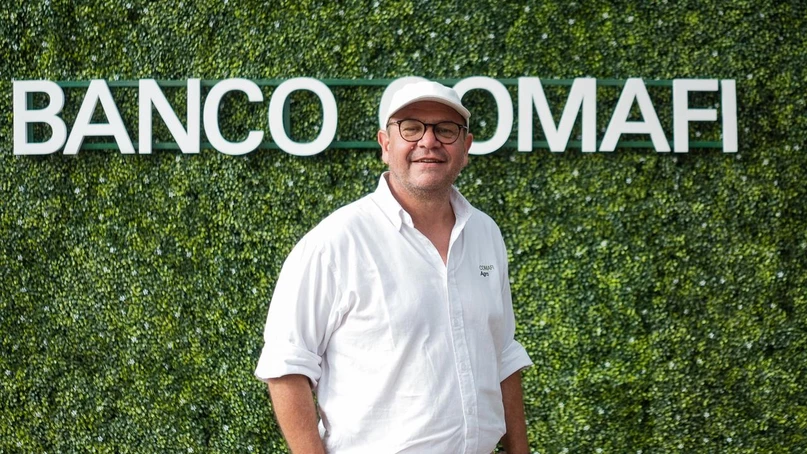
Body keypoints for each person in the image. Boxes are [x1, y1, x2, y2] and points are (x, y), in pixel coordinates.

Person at [255, 80, 533, 454]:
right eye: (411, 128)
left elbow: (503, 354)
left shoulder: (485, 233)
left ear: (466, 148)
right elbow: (286, 367)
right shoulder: (335, 242)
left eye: (446, 130)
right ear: (386, 145)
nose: (429, 141)